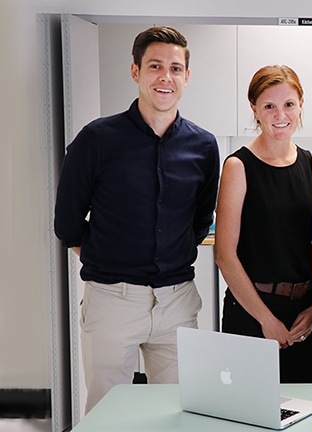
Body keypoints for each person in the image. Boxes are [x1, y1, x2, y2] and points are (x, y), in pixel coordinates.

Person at [54, 26, 220, 412]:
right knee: (107, 412)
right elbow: (67, 223)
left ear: (187, 76)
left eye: (176, 68)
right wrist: (111, 265)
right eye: (155, 66)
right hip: (112, 301)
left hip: (177, 302)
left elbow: (200, 219)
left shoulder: (203, 146)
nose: (166, 77)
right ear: (135, 72)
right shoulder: (96, 139)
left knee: (181, 410)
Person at [215, 65, 312, 383]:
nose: (281, 114)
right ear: (255, 110)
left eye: (289, 104)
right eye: (269, 106)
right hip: (252, 313)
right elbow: (225, 255)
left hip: (303, 316)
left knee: (302, 410)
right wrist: (266, 319)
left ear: (301, 104)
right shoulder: (238, 166)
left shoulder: (310, 163)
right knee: (248, 413)